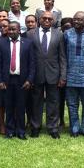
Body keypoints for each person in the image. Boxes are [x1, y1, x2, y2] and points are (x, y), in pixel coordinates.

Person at [26, 11, 66, 139]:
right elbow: (26, 57)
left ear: (53, 21)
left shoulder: (59, 34)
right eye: (44, 18)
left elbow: (62, 57)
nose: (47, 20)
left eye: (50, 19)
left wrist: (63, 76)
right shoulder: (30, 34)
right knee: (35, 101)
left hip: (53, 73)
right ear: (39, 19)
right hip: (36, 73)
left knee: (53, 102)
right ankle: (35, 127)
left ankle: (53, 128)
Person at [0, 21, 36, 139]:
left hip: (22, 81)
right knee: (9, 107)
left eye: (14, 29)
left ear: (19, 30)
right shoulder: (2, 43)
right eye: (10, 29)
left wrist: (29, 80)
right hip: (7, 80)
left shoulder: (28, 43)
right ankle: (10, 131)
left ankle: (21, 131)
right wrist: (0, 80)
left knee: (21, 107)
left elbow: (32, 63)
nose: (11, 31)